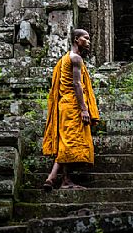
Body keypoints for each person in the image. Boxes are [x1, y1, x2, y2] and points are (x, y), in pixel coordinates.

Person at [42, 28, 100, 191]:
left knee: (67, 142)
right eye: (85, 38)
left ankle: (54, 178)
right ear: (76, 39)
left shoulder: (65, 59)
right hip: (73, 105)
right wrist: (83, 109)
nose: (88, 41)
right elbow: (76, 84)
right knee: (70, 142)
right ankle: (60, 179)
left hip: (64, 105)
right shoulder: (75, 59)